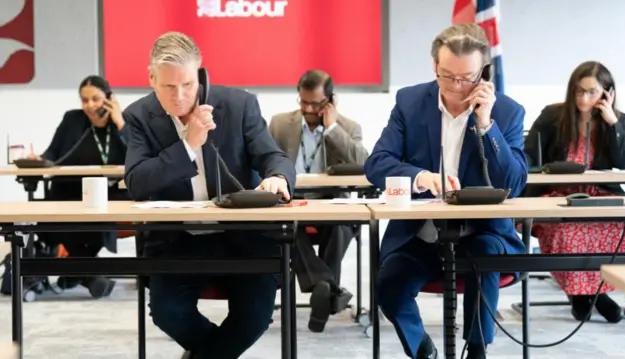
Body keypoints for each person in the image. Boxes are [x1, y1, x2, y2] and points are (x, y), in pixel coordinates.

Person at [123, 31, 296, 359]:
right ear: (151, 79)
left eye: (188, 85)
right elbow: (137, 182)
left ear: (200, 75)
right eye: (169, 87)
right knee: (167, 312)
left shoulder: (238, 105)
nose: (179, 97)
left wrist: (277, 177)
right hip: (178, 239)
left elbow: (273, 157)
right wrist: (188, 144)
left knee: (256, 314)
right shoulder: (138, 117)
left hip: (243, 237)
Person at [364, 24, 527, 359]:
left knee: (484, 257)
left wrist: (486, 125)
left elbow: (512, 183)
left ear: (484, 72)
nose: (455, 87)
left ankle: (477, 349)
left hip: (481, 232)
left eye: (466, 77)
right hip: (419, 234)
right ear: (434, 66)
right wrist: (421, 177)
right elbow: (377, 163)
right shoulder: (409, 102)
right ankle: (423, 350)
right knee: (389, 285)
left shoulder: (507, 111)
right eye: (447, 75)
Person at [524, 61, 625, 323]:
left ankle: (593, 294)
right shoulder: (553, 116)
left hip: (599, 194)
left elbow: (623, 162)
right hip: (558, 194)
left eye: (592, 92)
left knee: (623, 228)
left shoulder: (617, 120)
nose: (583, 98)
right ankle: (581, 295)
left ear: (607, 93)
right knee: (564, 230)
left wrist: (612, 123)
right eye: (578, 91)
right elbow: (528, 156)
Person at [269, 69, 369, 332]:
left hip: (331, 200)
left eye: (315, 103)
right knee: (286, 227)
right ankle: (329, 289)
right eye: (303, 101)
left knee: (341, 226)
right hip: (291, 201)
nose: (308, 108)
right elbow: (265, 161)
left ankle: (324, 290)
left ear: (330, 101)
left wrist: (332, 128)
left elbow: (363, 164)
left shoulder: (347, 127)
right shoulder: (280, 124)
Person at [12, 75, 129, 299]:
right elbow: (54, 153)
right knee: (57, 207)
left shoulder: (122, 123)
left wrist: (120, 122)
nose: (90, 105)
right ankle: (89, 274)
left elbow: (137, 153)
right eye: (84, 100)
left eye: (95, 99)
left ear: (109, 99)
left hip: (108, 192)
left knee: (91, 210)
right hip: (71, 189)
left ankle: (78, 270)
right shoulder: (72, 120)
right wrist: (38, 158)